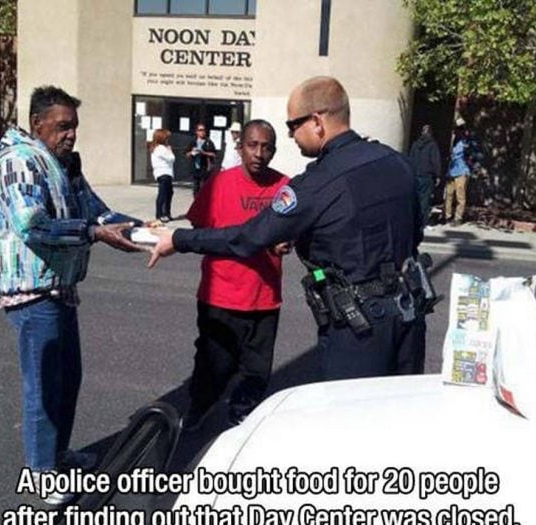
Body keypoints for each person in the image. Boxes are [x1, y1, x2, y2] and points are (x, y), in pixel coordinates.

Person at [150, 76, 427, 382]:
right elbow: (415, 233)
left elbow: (248, 237)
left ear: (317, 121)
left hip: (359, 329)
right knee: (398, 417)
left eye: (293, 125)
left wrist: (179, 238)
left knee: (349, 420)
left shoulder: (319, 182)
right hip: (409, 316)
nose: (292, 136)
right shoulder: (397, 162)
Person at [0, 85, 146, 505]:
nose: (71, 134)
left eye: (74, 126)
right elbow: (32, 225)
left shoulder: (63, 163)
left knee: (67, 380)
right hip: (32, 296)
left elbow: (94, 209)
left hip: (61, 289)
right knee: (43, 386)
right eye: (62, 127)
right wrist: (95, 233)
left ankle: (58, 455)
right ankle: (42, 472)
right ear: (37, 124)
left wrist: (142, 228)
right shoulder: (18, 162)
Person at [183, 120, 290, 431]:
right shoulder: (219, 184)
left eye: (267, 147)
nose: (259, 153)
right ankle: (199, 407)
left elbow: (294, 231)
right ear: (240, 147)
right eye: (253, 145)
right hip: (220, 295)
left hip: (264, 297)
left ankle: (242, 417)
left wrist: (287, 241)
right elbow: (198, 230)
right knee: (213, 365)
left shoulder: (285, 186)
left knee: (256, 370)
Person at [408, 124, 441, 227]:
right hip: (427, 176)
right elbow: (435, 161)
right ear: (430, 133)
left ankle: (412, 221)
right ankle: (422, 223)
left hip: (415, 174)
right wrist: (438, 175)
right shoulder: (432, 145)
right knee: (425, 200)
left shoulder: (415, 144)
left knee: (415, 199)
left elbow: (410, 158)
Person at [444, 120, 471, 225]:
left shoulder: (465, 141)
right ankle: (448, 215)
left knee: (460, 196)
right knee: (449, 194)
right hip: (451, 171)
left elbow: (471, 152)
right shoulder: (453, 141)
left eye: (459, 129)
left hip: (462, 170)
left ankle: (458, 217)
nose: (456, 131)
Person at [150, 128, 175, 222]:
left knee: (169, 193)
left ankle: (166, 213)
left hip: (164, 173)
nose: (168, 140)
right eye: (167, 138)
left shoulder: (157, 148)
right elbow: (172, 158)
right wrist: (170, 150)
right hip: (164, 173)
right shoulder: (161, 148)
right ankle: (160, 214)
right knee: (163, 194)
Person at [185, 123, 216, 196]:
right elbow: (186, 154)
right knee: (196, 187)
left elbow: (214, 154)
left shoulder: (209, 142)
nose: (202, 132)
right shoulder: (193, 141)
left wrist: (203, 153)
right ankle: (196, 202)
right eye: (200, 130)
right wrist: (192, 152)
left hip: (204, 167)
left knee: (204, 187)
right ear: (197, 132)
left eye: (204, 130)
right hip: (195, 167)